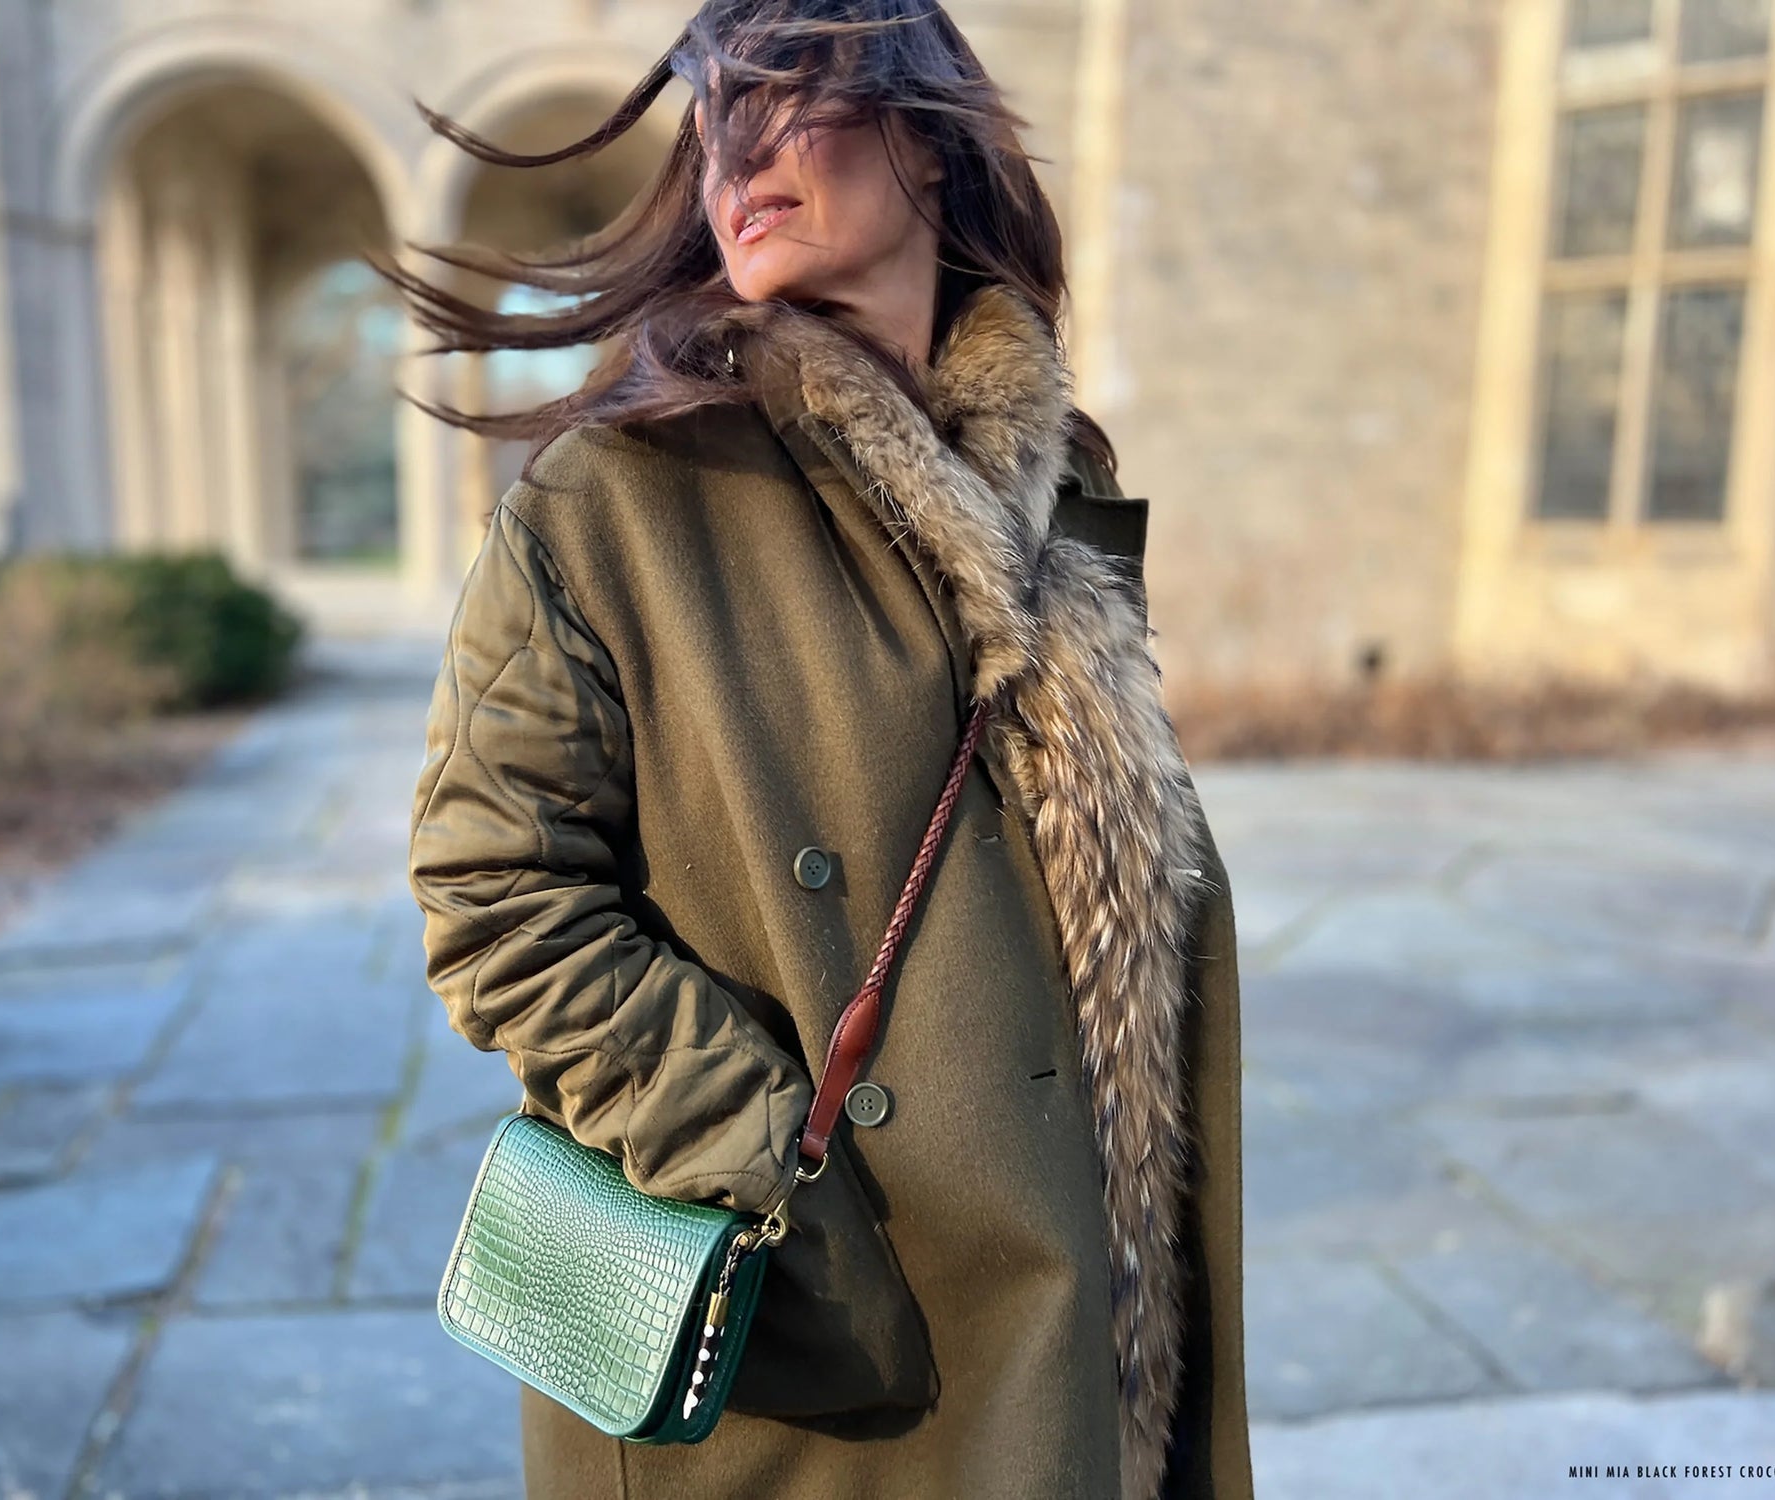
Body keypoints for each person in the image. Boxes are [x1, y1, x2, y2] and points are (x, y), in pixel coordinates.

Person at [394, 2, 1252, 1495]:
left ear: (928, 136)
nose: (734, 159)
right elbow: (492, 897)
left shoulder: (1055, 486)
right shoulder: (619, 499)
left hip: (1074, 1313)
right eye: (712, 123)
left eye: (783, 98)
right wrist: (772, 1161)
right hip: (807, 1354)